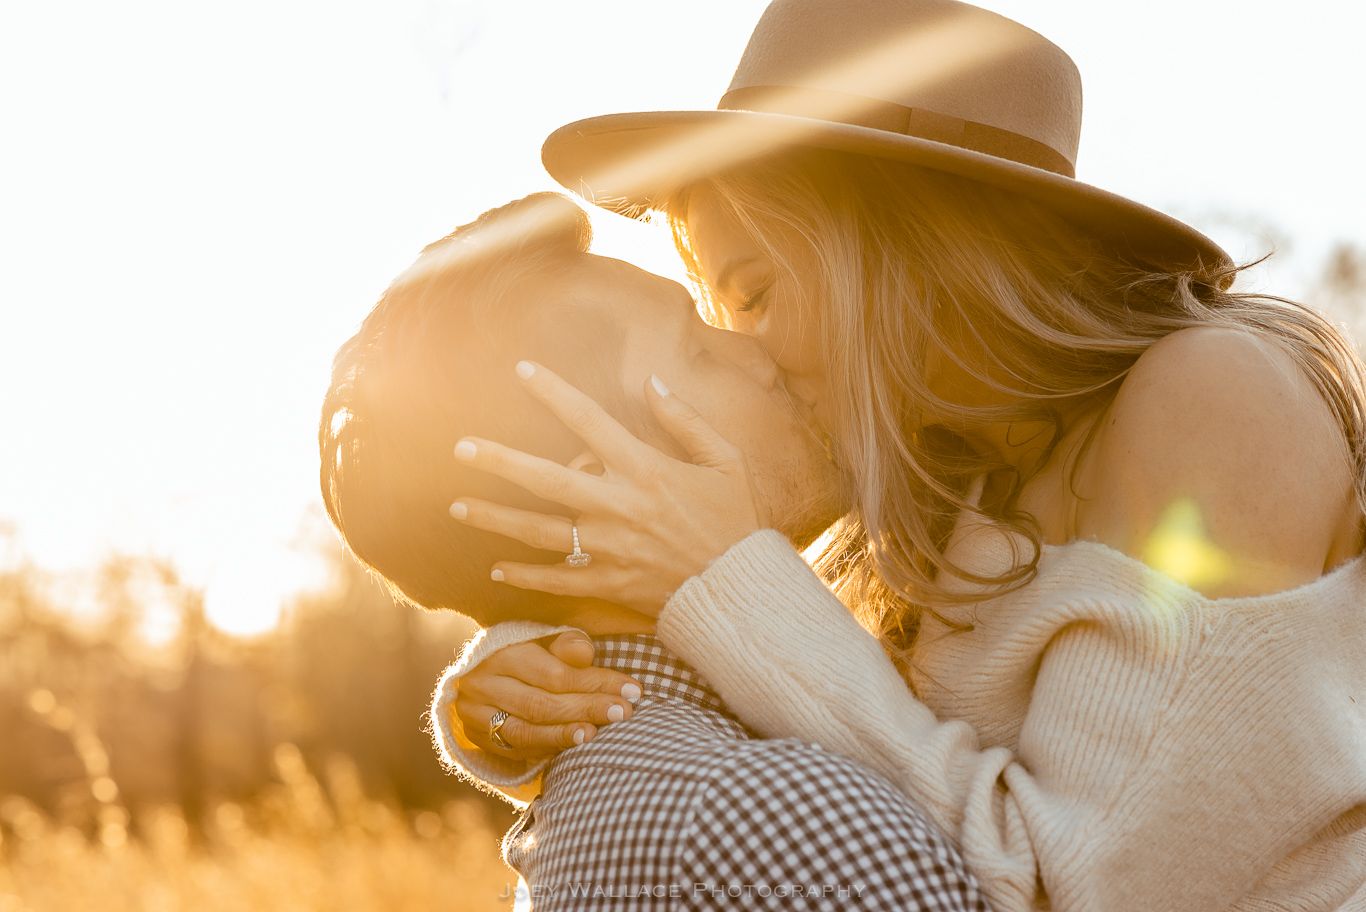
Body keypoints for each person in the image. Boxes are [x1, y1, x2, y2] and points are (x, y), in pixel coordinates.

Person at [436, 0, 1366, 909]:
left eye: (750, 295)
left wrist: (728, 581)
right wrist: (530, 676)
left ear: (897, 247)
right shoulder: (943, 490)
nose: (744, 357)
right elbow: (830, 745)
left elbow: (1085, 887)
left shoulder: (1214, 400)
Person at [317, 192, 990, 909]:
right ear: (601, 490)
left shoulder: (615, 791)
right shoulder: (768, 810)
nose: (761, 358)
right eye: (700, 348)